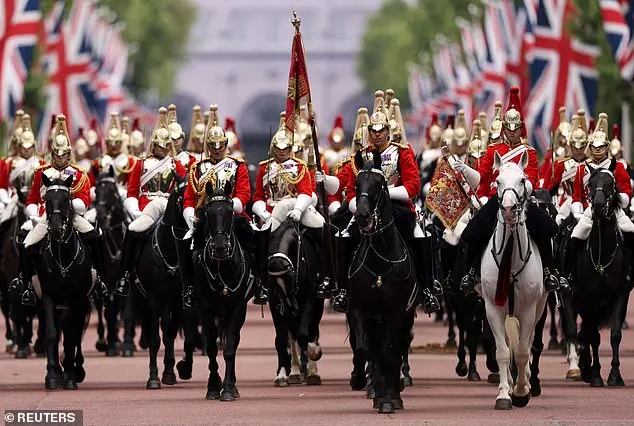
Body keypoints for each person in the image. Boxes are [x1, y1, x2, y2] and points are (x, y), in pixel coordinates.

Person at [460, 86, 570, 295]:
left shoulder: (528, 152)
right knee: (474, 230)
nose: (511, 132)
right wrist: (482, 197)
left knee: (547, 228)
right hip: (496, 199)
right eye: (508, 129)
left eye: (515, 128)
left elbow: (533, 181)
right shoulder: (493, 150)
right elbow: (483, 179)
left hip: (521, 201)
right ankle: (472, 271)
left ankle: (549, 272)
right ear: (503, 129)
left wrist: (522, 190)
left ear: (521, 129)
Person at [334, 107, 441, 314]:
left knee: (420, 234)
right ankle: (343, 290)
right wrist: (358, 201)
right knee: (345, 234)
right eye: (373, 131)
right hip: (366, 206)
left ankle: (428, 288)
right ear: (369, 133)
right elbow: (349, 187)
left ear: (388, 131)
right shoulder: (360, 155)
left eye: (381, 130)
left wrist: (385, 194)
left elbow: (413, 185)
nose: (377, 134)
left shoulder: (401, 151)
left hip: (396, 205)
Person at [10, 114, 107, 300]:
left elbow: (84, 199)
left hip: (72, 216)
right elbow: (31, 199)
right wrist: (32, 214)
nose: (60, 158)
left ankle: (99, 280)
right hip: (45, 216)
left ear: (69, 153)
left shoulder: (79, 174)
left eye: (63, 154)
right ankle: (25, 282)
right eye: (56, 154)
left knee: (96, 236)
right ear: (52, 153)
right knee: (26, 241)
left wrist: (72, 205)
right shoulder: (41, 173)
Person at [180, 104, 259, 309]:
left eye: (220, 144)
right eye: (213, 145)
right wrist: (190, 215)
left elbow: (244, 192)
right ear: (207, 146)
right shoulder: (197, 168)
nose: (217, 149)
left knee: (253, 239)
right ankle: (189, 288)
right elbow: (190, 197)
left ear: (226, 144)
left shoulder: (237, 165)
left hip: (231, 213)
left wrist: (235, 206)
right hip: (207, 216)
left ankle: (259, 282)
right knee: (188, 245)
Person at [251, 113, 324, 304]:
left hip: (295, 210)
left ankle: (326, 276)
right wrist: (263, 212)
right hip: (272, 215)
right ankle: (261, 283)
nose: (282, 151)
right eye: (278, 148)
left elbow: (306, 192)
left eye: (285, 148)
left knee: (322, 230)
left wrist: (299, 210)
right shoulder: (264, 168)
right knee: (258, 241)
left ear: (291, 149)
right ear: (273, 147)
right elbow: (258, 196)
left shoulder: (299, 167)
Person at [114, 107, 187, 296]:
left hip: (170, 209)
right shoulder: (141, 163)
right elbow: (132, 191)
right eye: (159, 146)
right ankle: (125, 276)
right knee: (132, 231)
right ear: (153, 145)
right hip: (148, 209)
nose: (162, 150)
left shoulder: (176, 164)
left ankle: (190, 283)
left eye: (165, 146)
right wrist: (134, 210)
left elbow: (183, 189)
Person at [562, 113, 634, 279]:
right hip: (590, 210)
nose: (597, 149)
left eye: (600, 146)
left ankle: (630, 271)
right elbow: (578, 195)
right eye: (594, 146)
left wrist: (619, 200)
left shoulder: (617, 167)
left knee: (630, 231)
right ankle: (567, 275)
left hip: (613, 209)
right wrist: (578, 212)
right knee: (575, 236)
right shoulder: (583, 169)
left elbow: (626, 191)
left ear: (607, 147)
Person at [543, 110, 589, 224]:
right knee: (558, 223)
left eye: (581, 147)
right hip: (566, 201)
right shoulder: (561, 164)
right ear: (571, 146)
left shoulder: (592, 164)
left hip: (590, 203)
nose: (578, 151)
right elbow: (551, 187)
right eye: (576, 147)